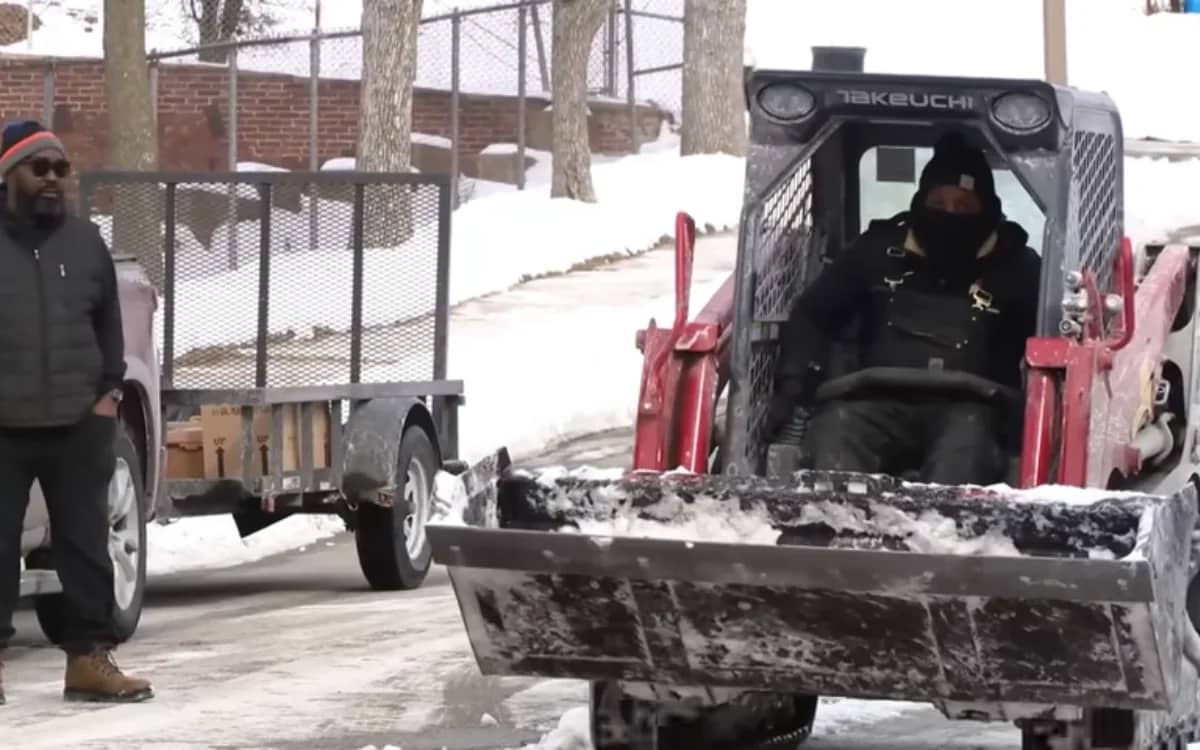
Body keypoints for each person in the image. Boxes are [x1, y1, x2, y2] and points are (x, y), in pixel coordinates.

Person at [767, 131, 1042, 485]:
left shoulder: (1016, 267)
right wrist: (795, 381)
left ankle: (946, 536)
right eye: (939, 203)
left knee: (965, 451)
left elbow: (1050, 337)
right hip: (873, 399)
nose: (949, 215)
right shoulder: (878, 252)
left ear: (986, 208)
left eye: (963, 206)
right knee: (835, 431)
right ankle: (834, 528)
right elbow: (812, 315)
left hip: (972, 410)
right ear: (920, 201)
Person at [0, 120, 153, 704]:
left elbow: (108, 327)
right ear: (9, 175)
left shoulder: (86, 242)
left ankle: (90, 661)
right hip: (4, 428)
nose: (53, 179)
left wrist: (106, 397)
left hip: (76, 425)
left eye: (61, 169)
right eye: (39, 168)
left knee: (86, 546)